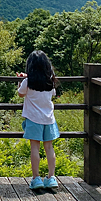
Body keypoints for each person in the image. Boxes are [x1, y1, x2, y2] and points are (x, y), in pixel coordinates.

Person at [17, 50, 60, 190]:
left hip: (33, 119)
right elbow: (53, 94)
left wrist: (20, 81)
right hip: (49, 119)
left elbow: (20, 94)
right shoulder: (51, 81)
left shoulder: (27, 82)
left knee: (35, 148)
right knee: (49, 147)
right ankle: (51, 177)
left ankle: (36, 178)